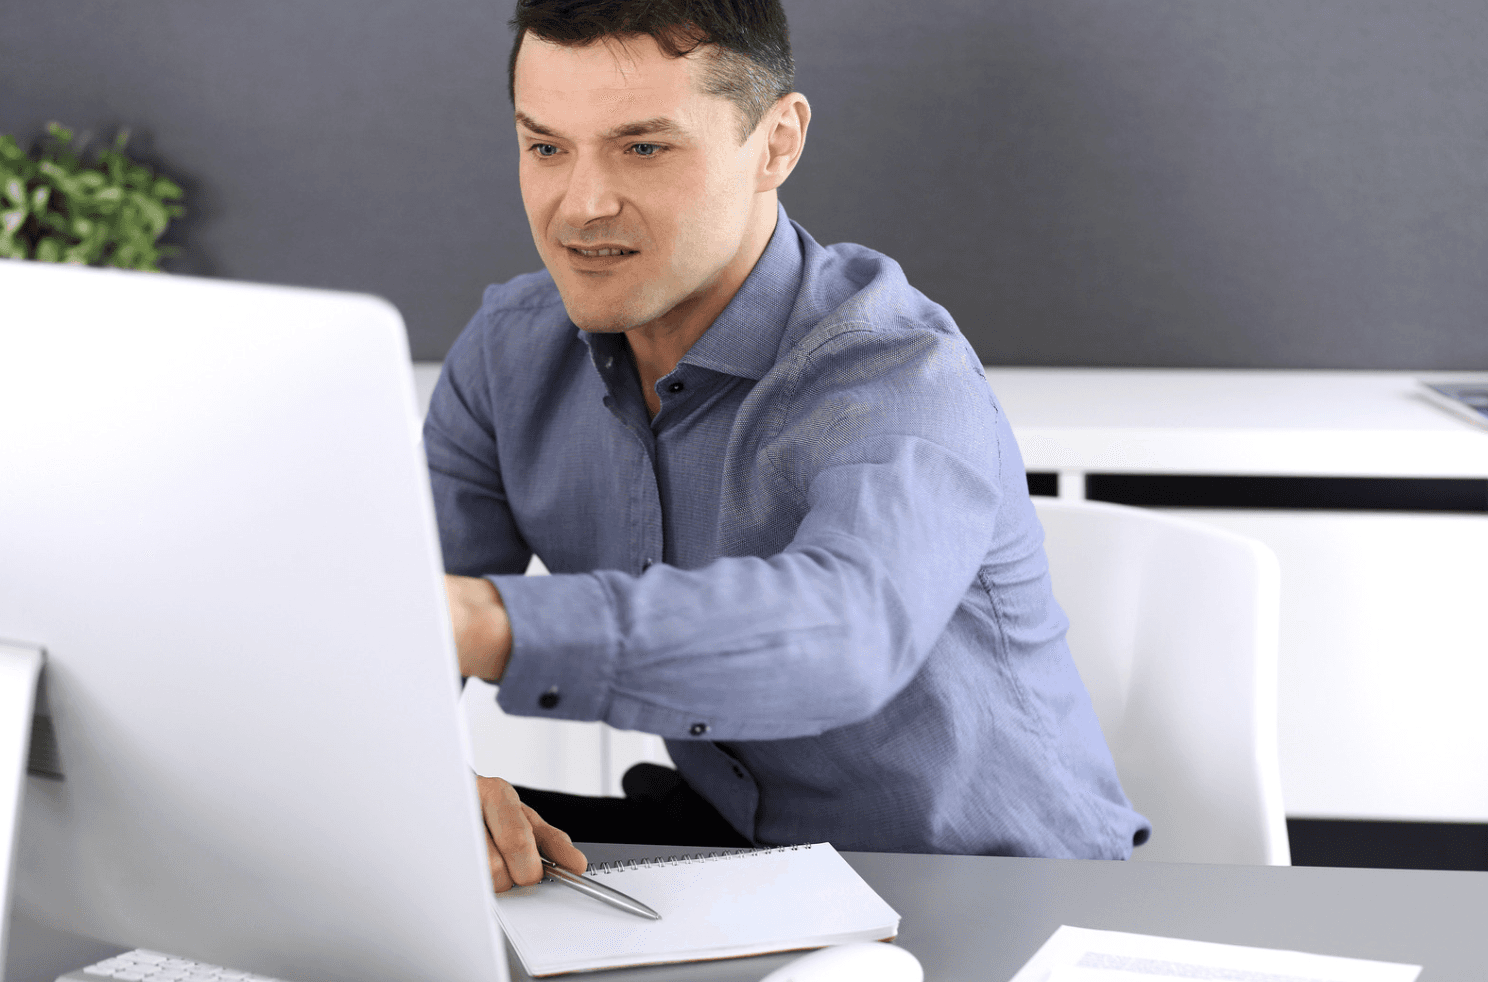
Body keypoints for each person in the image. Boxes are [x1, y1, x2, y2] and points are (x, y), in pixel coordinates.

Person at [427, 0, 1150, 893]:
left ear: (776, 142)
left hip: (989, 883)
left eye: (644, 147)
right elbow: (368, 648)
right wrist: (422, 785)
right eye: (546, 147)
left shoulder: (895, 368)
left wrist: (483, 624)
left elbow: (847, 635)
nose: (581, 205)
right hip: (743, 860)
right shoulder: (510, 351)